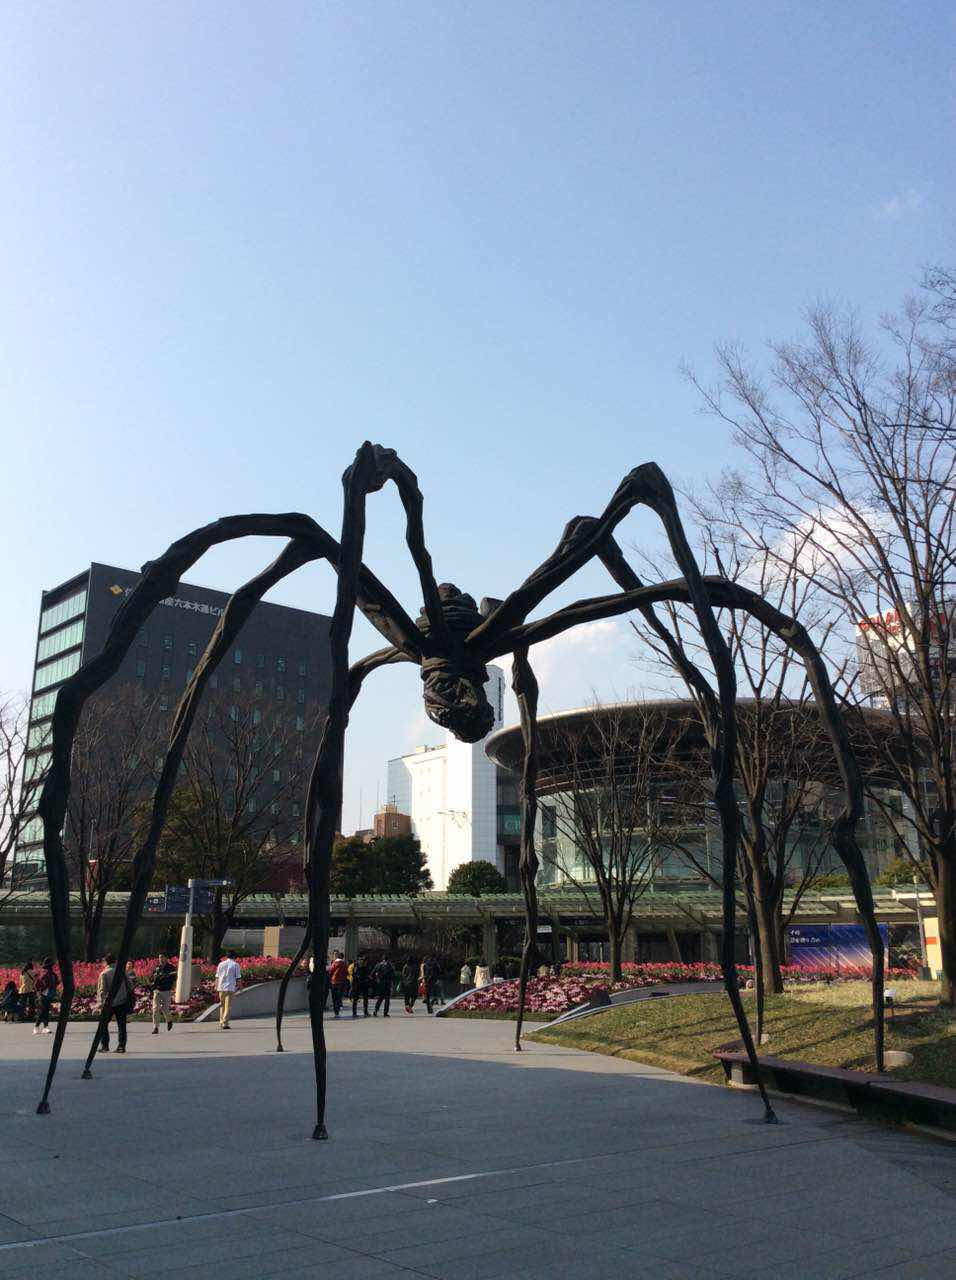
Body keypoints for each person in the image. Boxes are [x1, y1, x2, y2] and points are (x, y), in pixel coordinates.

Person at [96, 954, 129, 1053]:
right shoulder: (122, 972)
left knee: (103, 1024)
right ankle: (121, 1046)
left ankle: (105, 1045)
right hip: (122, 1002)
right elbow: (130, 985)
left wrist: (101, 1004)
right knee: (122, 1025)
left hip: (109, 1003)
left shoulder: (104, 973)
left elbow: (102, 991)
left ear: (106, 962)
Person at [215, 951, 242, 1029]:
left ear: (227, 956)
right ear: (234, 957)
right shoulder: (235, 965)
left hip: (221, 987)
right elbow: (238, 978)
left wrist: (216, 986)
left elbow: (217, 976)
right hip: (230, 987)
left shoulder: (221, 964)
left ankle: (221, 1021)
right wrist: (240, 987)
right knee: (228, 1006)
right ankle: (224, 1022)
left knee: (222, 1005)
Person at [33, 957, 59, 1034]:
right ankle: (37, 1027)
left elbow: (56, 982)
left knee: (45, 1011)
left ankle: (45, 1027)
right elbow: (38, 983)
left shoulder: (51, 973)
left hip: (48, 994)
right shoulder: (45, 973)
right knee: (43, 1011)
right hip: (44, 994)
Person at [151, 954, 176, 1033]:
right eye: (159, 957)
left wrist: (165, 977)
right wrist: (153, 984)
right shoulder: (157, 968)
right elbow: (152, 978)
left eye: (162, 957)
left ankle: (169, 1020)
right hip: (157, 991)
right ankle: (156, 1027)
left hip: (166, 991)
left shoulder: (171, 967)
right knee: (155, 1009)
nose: (160, 959)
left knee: (165, 1009)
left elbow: (173, 978)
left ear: (166, 958)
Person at [328, 951, 348, 1017]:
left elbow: (331, 971)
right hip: (342, 982)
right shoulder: (344, 964)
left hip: (334, 981)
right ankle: (338, 1009)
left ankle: (336, 1011)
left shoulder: (334, 963)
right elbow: (346, 972)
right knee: (339, 997)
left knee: (334, 997)